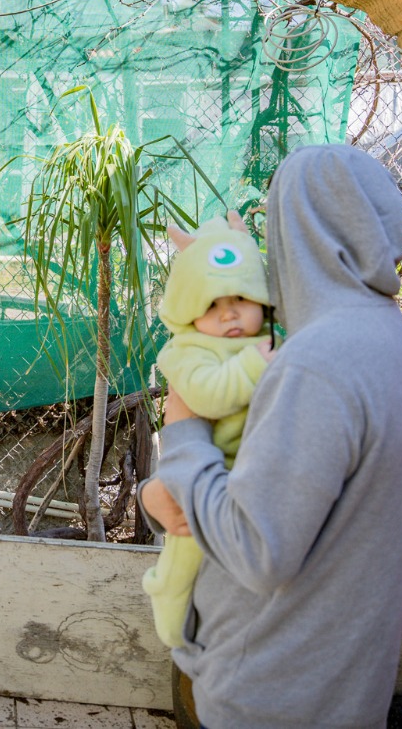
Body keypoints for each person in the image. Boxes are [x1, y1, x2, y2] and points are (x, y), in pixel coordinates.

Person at [140, 144, 402, 729]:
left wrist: (187, 432)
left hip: (270, 691)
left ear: (296, 230)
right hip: (336, 683)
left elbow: (257, 549)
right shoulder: (386, 336)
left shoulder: (317, 361)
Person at [140, 213, 274, 650]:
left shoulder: (270, 339)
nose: (229, 312)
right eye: (211, 304)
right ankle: (172, 613)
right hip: (197, 483)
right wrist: (257, 363)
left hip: (248, 482)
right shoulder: (187, 350)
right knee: (186, 550)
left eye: (239, 296)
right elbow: (209, 396)